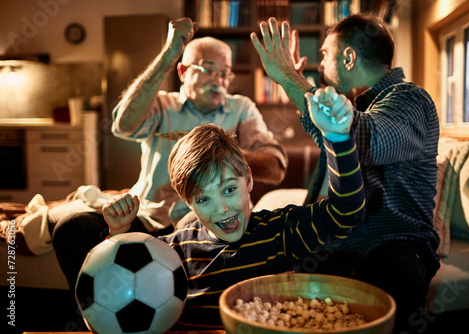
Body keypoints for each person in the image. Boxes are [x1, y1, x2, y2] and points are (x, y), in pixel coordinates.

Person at [52, 17, 287, 329]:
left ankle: (178, 323)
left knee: (196, 227)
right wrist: (168, 53)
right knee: (71, 225)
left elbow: (275, 167)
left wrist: (214, 150)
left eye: (225, 73)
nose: (219, 79)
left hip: (195, 219)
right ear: (182, 71)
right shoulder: (162, 104)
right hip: (146, 216)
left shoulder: (240, 108)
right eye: (208, 69)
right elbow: (123, 125)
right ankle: (96, 322)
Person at [102, 91, 365, 330]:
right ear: (188, 203)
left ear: (248, 179)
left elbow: (346, 212)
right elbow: (118, 287)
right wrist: (118, 232)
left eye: (229, 190)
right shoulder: (172, 253)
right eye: (203, 200)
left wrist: (338, 139)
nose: (222, 208)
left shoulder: (280, 231)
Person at [251, 13, 441, 333]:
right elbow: (326, 126)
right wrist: (292, 81)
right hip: (340, 248)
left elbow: (364, 140)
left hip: (388, 249)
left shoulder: (410, 99)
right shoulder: (351, 107)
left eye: (325, 55)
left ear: (349, 57)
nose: (320, 67)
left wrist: (286, 75)